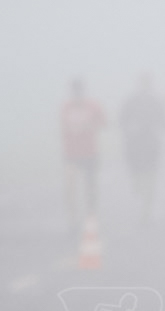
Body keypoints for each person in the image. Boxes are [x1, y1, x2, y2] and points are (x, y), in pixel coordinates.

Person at [59, 78, 106, 232]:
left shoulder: (92, 106)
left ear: (83, 92)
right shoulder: (66, 107)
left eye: (79, 91)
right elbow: (62, 126)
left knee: (90, 187)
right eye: (74, 91)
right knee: (69, 187)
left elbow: (104, 123)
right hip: (71, 153)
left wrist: (91, 126)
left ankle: (91, 214)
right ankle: (72, 220)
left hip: (90, 152)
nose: (77, 94)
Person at [119, 74, 165, 224]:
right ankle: (143, 199)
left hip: (146, 142)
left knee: (149, 175)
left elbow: (163, 122)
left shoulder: (154, 101)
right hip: (138, 142)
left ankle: (146, 211)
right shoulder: (133, 101)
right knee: (143, 174)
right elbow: (122, 120)